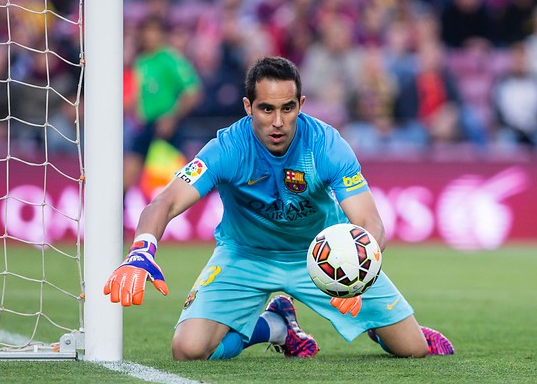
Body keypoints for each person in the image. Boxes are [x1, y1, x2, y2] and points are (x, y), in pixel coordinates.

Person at [105, 56, 454, 360]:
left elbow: (368, 220)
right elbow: (164, 201)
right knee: (188, 350)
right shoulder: (226, 148)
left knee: (412, 349)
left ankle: (381, 328)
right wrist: (141, 251)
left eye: (288, 108)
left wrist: (362, 271)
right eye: (266, 109)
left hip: (325, 257)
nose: (278, 121)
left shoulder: (326, 144)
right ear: (247, 106)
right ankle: (276, 327)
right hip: (245, 255)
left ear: (301, 104)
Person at [123, 15, 203, 194]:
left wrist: (171, 116)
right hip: (145, 125)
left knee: (180, 178)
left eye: (154, 31)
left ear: (162, 35)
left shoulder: (170, 59)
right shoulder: (140, 61)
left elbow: (193, 91)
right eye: (147, 31)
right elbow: (136, 96)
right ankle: (117, 217)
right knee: (127, 175)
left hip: (167, 126)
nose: (150, 36)